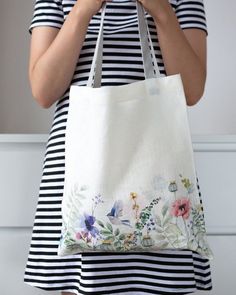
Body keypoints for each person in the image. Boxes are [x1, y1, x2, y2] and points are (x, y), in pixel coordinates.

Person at [24, 0, 213, 294]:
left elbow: (191, 90)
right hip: (81, 167)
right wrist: (83, 9)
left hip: (156, 168)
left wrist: (161, 10)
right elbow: (44, 91)